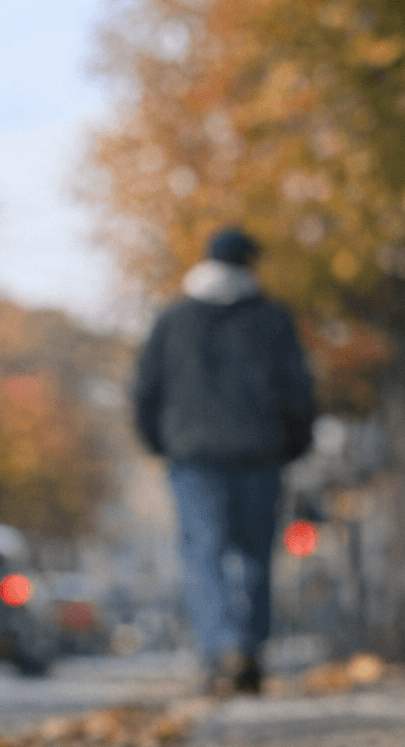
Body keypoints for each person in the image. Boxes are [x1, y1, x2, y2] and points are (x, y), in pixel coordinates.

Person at [133, 227, 317, 694]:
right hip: (260, 453)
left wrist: (161, 442)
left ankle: (221, 649)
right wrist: (294, 443)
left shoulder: (173, 319)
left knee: (204, 553)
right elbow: (297, 388)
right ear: (250, 264)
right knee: (255, 552)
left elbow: (145, 391)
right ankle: (250, 649)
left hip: (193, 457)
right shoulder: (273, 319)